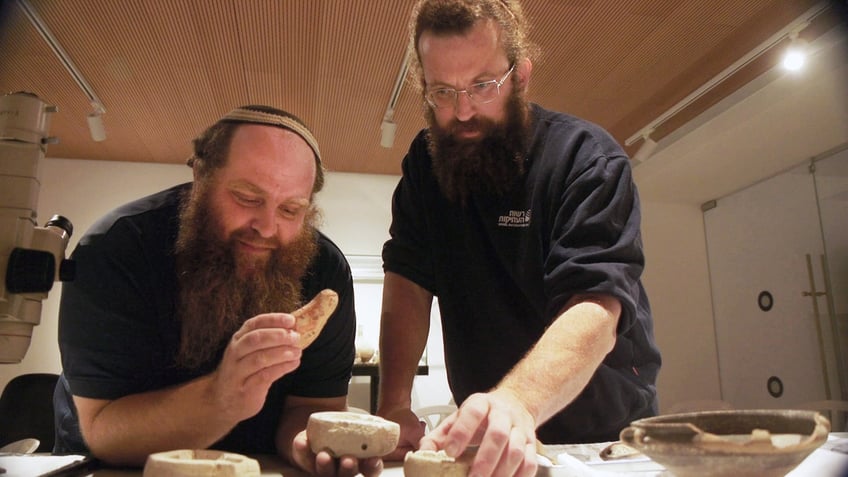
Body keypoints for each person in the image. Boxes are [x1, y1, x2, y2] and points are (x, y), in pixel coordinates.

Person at [376, 1, 662, 476]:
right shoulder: (425, 166)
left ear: (521, 76)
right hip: (491, 434)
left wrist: (518, 402)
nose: (462, 110)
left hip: (601, 432)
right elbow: (407, 280)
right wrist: (394, 405)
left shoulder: (584, 158)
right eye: (442, 91)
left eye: (482, 86)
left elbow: (596, 304)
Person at [53, 105, 382, 477]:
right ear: (201, 175)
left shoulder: (324, 271)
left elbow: (308, 405)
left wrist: (306, 444)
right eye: (247, 198)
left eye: (291, 209)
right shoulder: (119, 249)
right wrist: (221, 398)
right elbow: (102, 430)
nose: (267, 227)